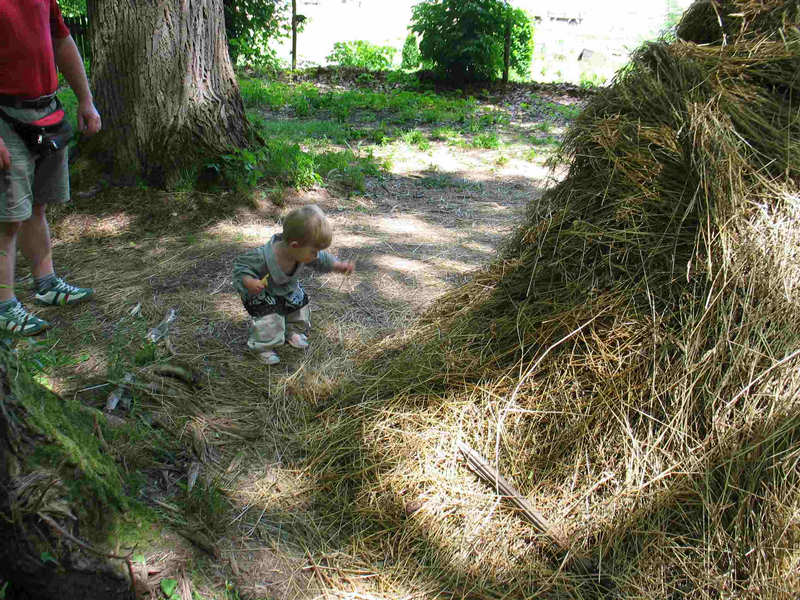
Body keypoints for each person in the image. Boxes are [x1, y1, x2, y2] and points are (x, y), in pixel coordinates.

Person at [0, 0, 101, 335]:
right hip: (4, 118)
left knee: (36, 207)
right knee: (7, 217)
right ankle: (4, 306)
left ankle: (46, 283)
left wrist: (85, 99)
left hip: (46, 113)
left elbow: (61, 41)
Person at [232, 204, 355, 365]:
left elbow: (321, 259)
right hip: (264, 293)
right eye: (314, 251)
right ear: (294, 245)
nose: (316, 255)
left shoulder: (301, 251)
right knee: (271, 319)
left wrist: (337, 265)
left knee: (299, 308)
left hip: (287, 289)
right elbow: (241, 267)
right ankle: (263, 346)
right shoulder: (261, 256)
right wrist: (249, 281)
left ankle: (292, 331)